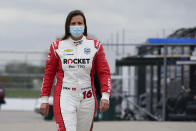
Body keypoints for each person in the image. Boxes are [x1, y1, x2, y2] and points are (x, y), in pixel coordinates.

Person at [40, 10, 111, 131]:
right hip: (65, 96)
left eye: (79, 23)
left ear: (84, 26)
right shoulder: (57, 46)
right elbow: (48, 75)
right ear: (67, 26)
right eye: (73, 23)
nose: (76, 26)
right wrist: (44, 99)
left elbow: (104, 72)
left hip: (88, 97)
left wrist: (105, 96)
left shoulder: (95, 46)